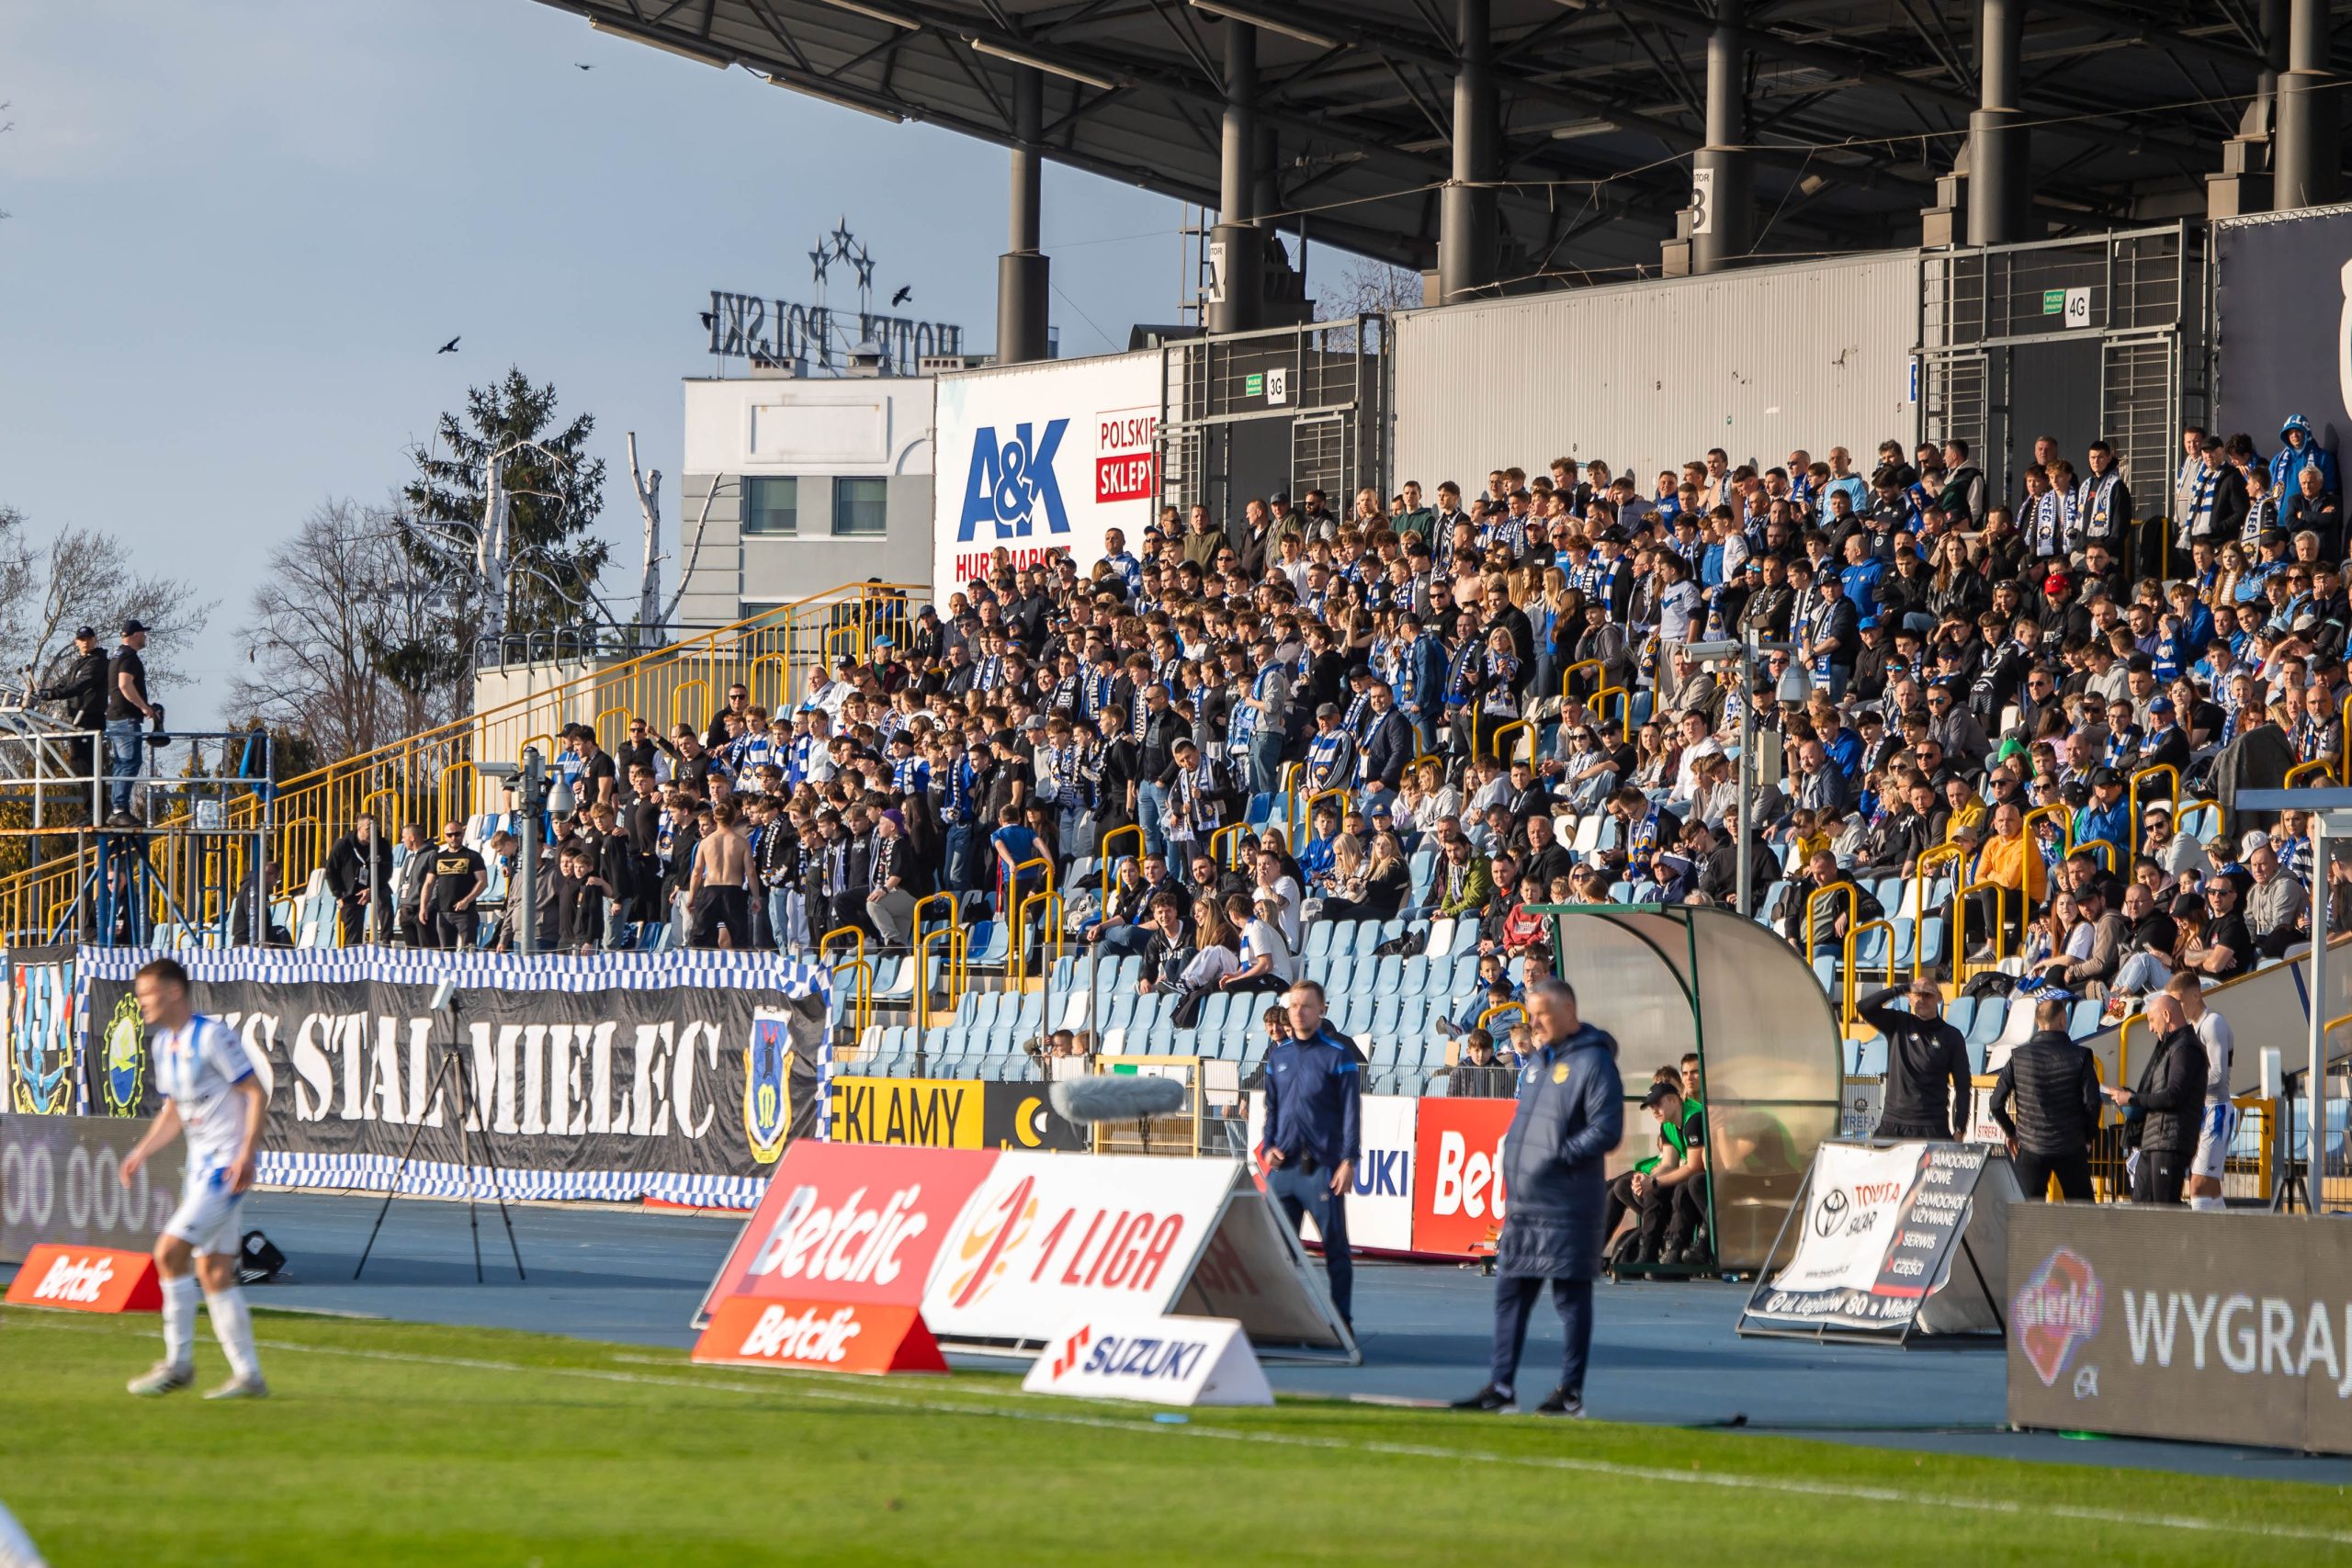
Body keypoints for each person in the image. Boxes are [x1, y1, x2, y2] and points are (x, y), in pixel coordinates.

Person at [1453, 977, 1623, 1417]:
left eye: (1542, 1015)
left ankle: (1571, 1393)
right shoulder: (1537, 1062)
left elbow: (1607, 1130)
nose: (1534, 1024)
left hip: (1568, 1204)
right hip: (1526, 1205)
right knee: (1510, 1294)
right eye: (1531, 1015)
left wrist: (1557, 1156)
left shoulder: (1594, 1062)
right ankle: (1501, 1387)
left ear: (1568, 1012)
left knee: (1571, 1298)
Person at [117, 957, 269, 1399]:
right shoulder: (163, 1044)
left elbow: (255, 1091)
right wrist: (142, 1151)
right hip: (199, 1168)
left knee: (168, 1253)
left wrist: (247, 1152)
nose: (141, 1002)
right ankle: (249, 1377)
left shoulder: (212, 1037)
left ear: (173, 991)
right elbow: (174, 1111)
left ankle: (178, 1364)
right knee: (214, 1271)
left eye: (147, 994)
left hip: (225, 1169)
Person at [1258, 979, 1364, 1331]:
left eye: (1306, 1006)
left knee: (1336, 1249)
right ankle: (1279, 1323)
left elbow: (1351, 1113)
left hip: (1322, 1170)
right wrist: (1268, 1144)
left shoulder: (1338, 1056)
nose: (1299, 1012)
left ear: (1322, 1010)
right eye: (1294, 1006)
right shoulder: (1278, 1056)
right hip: (1283, 1169)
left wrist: (1349, 1161)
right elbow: (1272, 1109)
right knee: (1276, 1253)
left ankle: (1342, 1322)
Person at [1987, 996, 2102, 1201]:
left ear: (2037, 1022)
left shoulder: (2018, 1057)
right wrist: (2087, 1137)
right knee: (2082, 1214)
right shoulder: (2081, 1055)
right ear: (2063, 1021)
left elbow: (1995, 1103)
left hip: (2030, 1147)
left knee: (2026, 1214)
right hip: (2071, 1146)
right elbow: (2092, 1103)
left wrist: (2012, 1132)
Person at [2105, 990, 2201, 1205]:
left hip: (2169, 1142)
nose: (2150, 1028)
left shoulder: (2185, 1047)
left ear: (2166, 1015)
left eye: (2151, 1020)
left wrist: (2133, 1099)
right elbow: (2160, 1093)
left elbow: (2174, 1095)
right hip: (2154, 1140)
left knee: (2164, 1207)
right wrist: (2132, 1098)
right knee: (2142, 1205)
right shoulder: (2170, 1047)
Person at [1858, 977, 1971, 1141]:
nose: (1922, 999)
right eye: (1917, 994)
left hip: (1932, 1127)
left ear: (1939, 997)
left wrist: (1960, 1128)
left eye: (1928, 995)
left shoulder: (1951, 1036)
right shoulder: (1898, 1024)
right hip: (1893, 1125)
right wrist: (1903, 988)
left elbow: (1963, 1085)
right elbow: (1864, 1007)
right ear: (1909, 998)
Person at [2168, 973, 2236, 1211]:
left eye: (2179, 1001)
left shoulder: (2213, 1023)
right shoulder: (2193, 1027)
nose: (2176, 1008)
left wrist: (2185, 1088)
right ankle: (2226, 1233)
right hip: (2200, 1110)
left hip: (2216, 1110)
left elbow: (2218, 1075)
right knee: (2210, 1188)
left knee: (2197, 1185)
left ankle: (2199, 1234)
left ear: (2196, 995)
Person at [32, 624, 108, 796]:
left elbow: (81, 685)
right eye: (82, 639)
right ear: (76, 642)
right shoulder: (78, 664)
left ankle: (97, 807)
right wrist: (46, 692)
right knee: (78, 763)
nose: (85, 642)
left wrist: (53, 694)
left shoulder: (98, 661)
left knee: (89, 765)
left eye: (89, 638)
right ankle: (89, 805)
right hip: (77, 720)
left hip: (91, 718)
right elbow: (65, 682)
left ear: (94, 640)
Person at [104, 618, 159, 827]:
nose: (145, 637)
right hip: (126, 719)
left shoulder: (117, 655)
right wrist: (144, 707)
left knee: (121, 763)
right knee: (130, 762)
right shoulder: (129, 657)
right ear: (136, 635)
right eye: (143, 634)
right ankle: (119, 809)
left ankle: (117, 808)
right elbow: (124, 685)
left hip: (115, 718)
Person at [322, 812, 393, 946]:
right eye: (368, 829)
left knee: (384, 897)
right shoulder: (343, 844)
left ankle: (386, 940)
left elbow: (387, 871)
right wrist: (339, 895)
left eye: (375, 828)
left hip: (375, 886)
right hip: (351, 890)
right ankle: (352, 949)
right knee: (352, 923)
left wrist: (372, 889)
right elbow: (331, 872)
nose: (372, 832)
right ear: (359, 829)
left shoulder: (382, 844)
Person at [690, 799, 753, 948]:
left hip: (710, 890)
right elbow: (750, 872)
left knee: (699, 938)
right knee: (739, 938)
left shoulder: (705, 842)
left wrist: (692, 897)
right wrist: (755, 897)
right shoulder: (742, 842)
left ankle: (699, 962)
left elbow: (697, 872)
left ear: (715, 818)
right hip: (733, 890)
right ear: (734, 818)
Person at [417, 819, 486, 951]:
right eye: (450, 835)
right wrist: (423, 907)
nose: (454, 838)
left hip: (466, 913)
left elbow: (482, 881)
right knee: (446, 953)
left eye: (457, 834)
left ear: (463, 833)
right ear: (444, 836)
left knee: (469, 951)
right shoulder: (438, 857)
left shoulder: (473, 856)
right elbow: (428, 884)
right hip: (443, 913)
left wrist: (467, 900)